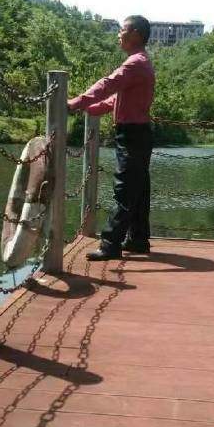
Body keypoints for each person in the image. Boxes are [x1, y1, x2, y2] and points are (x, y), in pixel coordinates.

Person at [67, 15, 155, 261]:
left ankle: (110, 245)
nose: (118, 34)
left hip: (133, 134)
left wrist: (76, 102)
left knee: (125, 189)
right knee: (138, 189)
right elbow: (116, 98)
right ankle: (138, 239)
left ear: (135, 34)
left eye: (122, 29)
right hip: (138, 133)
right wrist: (91, 108)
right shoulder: (141, 62)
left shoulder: (135, 63)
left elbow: (108, 84)